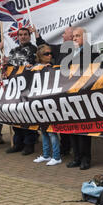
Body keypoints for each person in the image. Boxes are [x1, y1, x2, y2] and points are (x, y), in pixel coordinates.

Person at [35, 25, 74, 156]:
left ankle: (72, 149)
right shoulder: (60, 48)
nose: (62, 35)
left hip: (72, 91)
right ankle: (64, 148)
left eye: (65, 34)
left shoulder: (79, 51)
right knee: (61, 121)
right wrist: (36, 35)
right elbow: (45, 46)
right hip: (58, 92)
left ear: (71, 37)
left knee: (70, 122)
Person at [65, 27, 99, 170]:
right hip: (70, 95)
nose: (74, 38)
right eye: (73, 36)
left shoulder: (92, 52)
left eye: (77, 36)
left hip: (84, 95)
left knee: (84, 129)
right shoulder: (69, 53)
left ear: (85, 38)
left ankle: (86, 158)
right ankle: (77, 157)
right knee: (73, 127)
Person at [4, 27, 39, 155]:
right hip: (15, 88)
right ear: (17, 37)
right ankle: (17, 143)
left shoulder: (35, 50)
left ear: (29, 36)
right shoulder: (13, 51)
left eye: (25, 34)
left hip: (29, 88)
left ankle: (29, 144)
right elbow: (9, 67)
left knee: (28, 116)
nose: (23, 37)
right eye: (20, 35)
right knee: (15, 116)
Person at [33, 45, 62, 166]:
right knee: (43, 130)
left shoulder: (54, 68)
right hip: (39, 103)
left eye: (51, 54)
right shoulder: (35, 68)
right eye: (46, 54)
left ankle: (56, 156)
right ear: (39, 56)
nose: (50, 56)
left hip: (50, 103)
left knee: (51, 131)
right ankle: (46, 155)